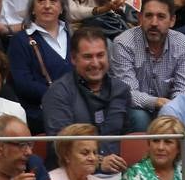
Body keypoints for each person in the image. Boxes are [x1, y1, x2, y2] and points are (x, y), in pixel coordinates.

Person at [42, 24, 134, 155]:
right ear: (74, 59)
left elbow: (127, 139)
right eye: (88, 57)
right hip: (70, 172)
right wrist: (99, 162)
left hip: (116, 172)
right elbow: (60, 146)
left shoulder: (121, 90)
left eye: (100, 55)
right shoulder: (58, 93)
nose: (95, 63)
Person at [111, 0, 185, 130]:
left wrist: (169, 109)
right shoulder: (123, 43)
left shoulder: (183, 44)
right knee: (140, 117)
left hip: (169, 107)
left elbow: (182, 90)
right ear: (140, 18)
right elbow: (127, 92)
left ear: (172, 20)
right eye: (148, 16)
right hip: (133, 108)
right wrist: (157, 102)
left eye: (161, 17)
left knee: (180, 114)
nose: (154, 23)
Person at [7, 0, 74, 131]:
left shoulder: (75, 37)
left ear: (62, 6)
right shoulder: (20, 41)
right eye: (41, 1)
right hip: (40, 112)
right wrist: (59, 96)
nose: (47, 6)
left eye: (53, 0)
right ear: (32, 8)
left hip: (76, 108)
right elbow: (23, 83)